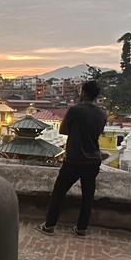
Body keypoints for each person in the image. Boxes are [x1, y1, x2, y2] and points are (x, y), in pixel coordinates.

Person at [37, 80, 106, 238]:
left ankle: (49, 225)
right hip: (93, 159)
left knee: (59, 193)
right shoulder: (102, 113)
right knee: (88, 196)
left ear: (84, 93)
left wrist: (76, 131)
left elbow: (62, 130)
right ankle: (81, 228)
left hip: (74, 158)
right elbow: (98, 131)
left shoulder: (75, 110)